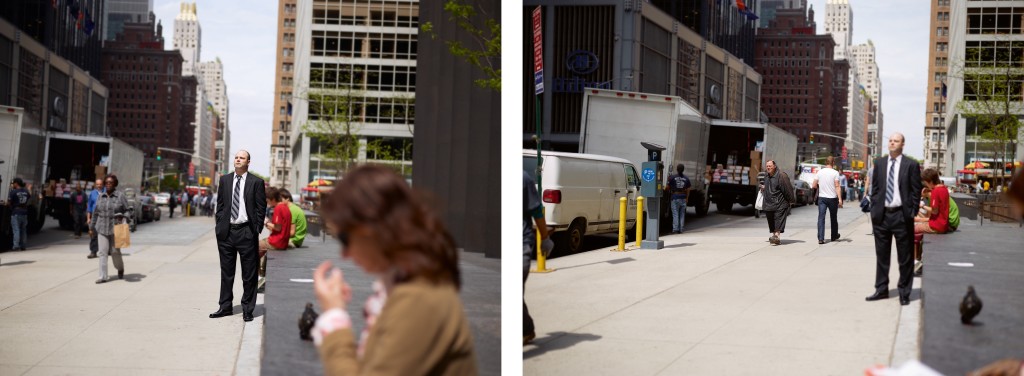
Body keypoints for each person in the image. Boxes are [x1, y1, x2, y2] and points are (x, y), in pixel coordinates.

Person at [310, 165, 477, 374]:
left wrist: (334, 317)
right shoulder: (414, 283)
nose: (344, 254)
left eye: (344, 239)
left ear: (370, 230)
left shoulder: (417, 300)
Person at [865, 132, 922, 306]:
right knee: (882, 255)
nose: (892, 143)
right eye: (890, 141)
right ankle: (881, 289)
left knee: (904, 257)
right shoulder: (879, 163)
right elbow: (876, 188)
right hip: (882, 216)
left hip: (901, 216)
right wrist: (875, 210)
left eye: (895, 141)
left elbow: (916, 190)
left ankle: (904, 292)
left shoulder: (911, 164)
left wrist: (911, 212)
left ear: (902, 144)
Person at [210, 150, 266, 322]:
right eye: (236, 157)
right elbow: (220, 205)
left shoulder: (256, 182)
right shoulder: (225, 180)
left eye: (242, 158)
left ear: (248, 162)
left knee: (249, 274)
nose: (238, 159)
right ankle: (225, 306)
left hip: (246, 232)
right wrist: (219, 225)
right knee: (227, 272)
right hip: (226, 232)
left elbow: (260, 207)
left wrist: (255, 229)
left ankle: (248, 309)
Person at [524, 171, 553, 346]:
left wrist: (544, 238)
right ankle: (526, 329)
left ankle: (526, 329)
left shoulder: (523, 179)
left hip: (521, 243)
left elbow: (536, 211)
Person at [93, 174, 129, 284]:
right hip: (102, 227)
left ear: (115, 184)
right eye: (107, 183)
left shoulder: (120, 196)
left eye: (111, 183)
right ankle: (103, 276)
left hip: (116, 228)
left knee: (115, 252)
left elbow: (127, 210)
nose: (108, 185)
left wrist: (125, 217)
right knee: (102, 252)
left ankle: (120, 268)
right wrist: (92, 226)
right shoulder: (101, 196)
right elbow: (96, 212)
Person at [258, 186, 291, 291]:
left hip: (277, 241)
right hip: (282, 241)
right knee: (260, 250)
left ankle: (260, 276)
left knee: (252, 247)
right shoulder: (285, 207)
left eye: (267, 200)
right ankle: (262, 273)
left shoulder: (278, 208)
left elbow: (278, 227)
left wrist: (266, 222)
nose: (267, 203)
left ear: (272, 199)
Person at [760, 160, 796, 245]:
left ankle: (776, 236)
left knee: (778, 220)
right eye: (767, 166)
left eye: (770, 166)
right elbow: (767, 185)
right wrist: (763, 187)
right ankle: (775, 237)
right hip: (769, 203)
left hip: (780, 203)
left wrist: (791, 200)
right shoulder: (766, 175)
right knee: (771, 221)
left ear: (774, 166)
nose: (768, 167)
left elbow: (787, 189)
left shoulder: (781, 176)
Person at [813, 157, 843, 244]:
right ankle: (834, 236)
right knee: (833, 218)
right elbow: (837, 186)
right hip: (833, 198)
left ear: (826, 162)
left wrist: (820, 186)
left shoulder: (820, 172)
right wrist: (840, 199)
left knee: (821, 218)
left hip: (822, 198)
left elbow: (814, 185)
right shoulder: (835, 173)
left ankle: (821, 238)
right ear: (833, 162)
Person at [665, 164, 692, 234]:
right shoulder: (686, 178)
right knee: (682, 214)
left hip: (675, 197)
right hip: (683, 197)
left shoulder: (672, 177)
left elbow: (667, 187)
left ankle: (675, 229)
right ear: (683, 170)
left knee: (675, 214)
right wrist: (687, 198)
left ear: (677, 169)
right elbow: (688, 189)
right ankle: (681, 229)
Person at [8, 178, 30, 251]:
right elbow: (29, 196)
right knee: (23, 230)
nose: (13, 184)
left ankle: (16, 246)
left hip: (16, 213)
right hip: (24, 213)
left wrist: (10, 191)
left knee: (16, 230)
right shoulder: (26, 191)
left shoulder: (13, 192)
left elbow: (9, 202)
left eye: (13, 183)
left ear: (16, 183)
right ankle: (23, 246)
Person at [86, 178, 104, 258]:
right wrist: (88, 218)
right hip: (94, 216)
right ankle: (93, 252)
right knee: (94, 234)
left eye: (100, 184)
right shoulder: (92, 193)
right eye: (97, 184)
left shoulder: (106, 192)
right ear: (95, 185)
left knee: (105, 234)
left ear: (102, 184)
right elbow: (89, 206)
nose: (99, 186)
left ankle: (107, 250)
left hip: (104, 216)